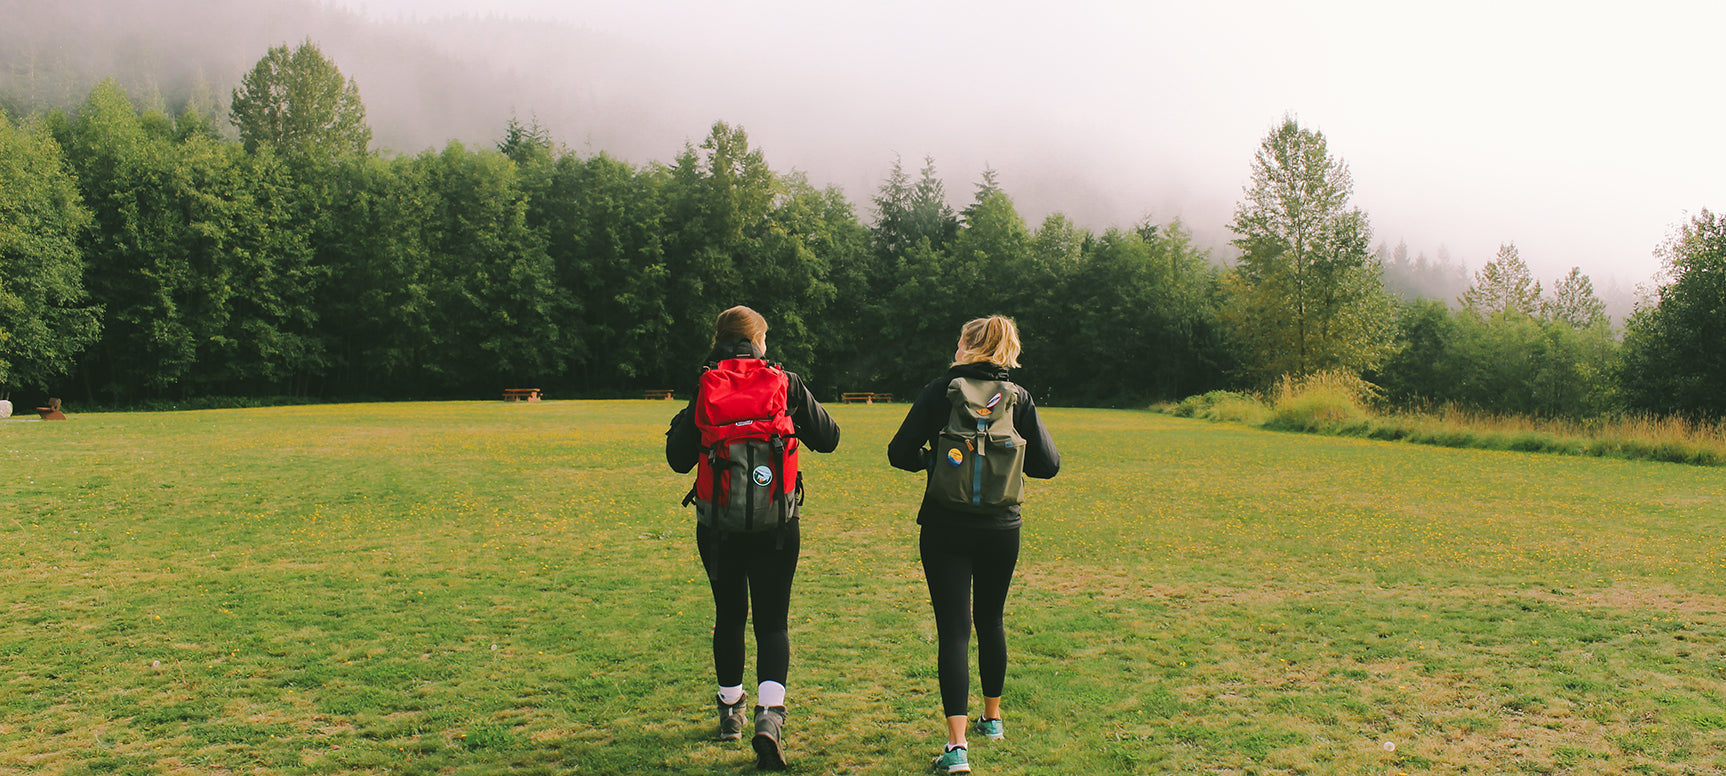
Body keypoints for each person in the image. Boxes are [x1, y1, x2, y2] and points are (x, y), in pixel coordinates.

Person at [666, 305, 840, 771]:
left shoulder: (707, 383)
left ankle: (730, 711)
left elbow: (677, 458)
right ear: (759, 341)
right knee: (773, 621)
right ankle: (770, 716)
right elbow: (830, 438)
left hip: (717, 525)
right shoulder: (785, 381)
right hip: (778, 524)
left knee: (729, 615)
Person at [888, 315, 1060, 775]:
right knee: (991, 619)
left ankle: (956, 747)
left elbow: (897, 452)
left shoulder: (939, 390)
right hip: (1002, 526)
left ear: (968, 346)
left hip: (944, 525)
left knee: (954, 630)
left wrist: (935, 463)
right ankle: (994, 720)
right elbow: (1048, 465)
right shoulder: (1018, 397)